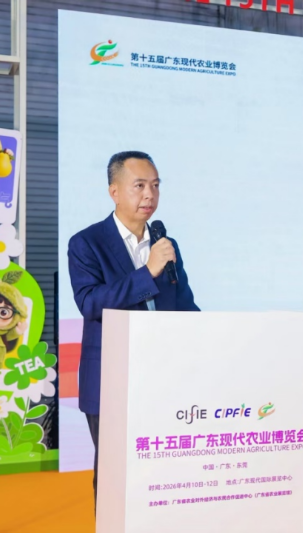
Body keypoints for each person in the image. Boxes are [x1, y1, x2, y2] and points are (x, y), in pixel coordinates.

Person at [67, 151, 200, 511]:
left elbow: (185, 305)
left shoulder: (165, 243)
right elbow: (90, 303)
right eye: (139, 185)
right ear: (114, 191)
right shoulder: (87, 243)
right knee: (116, 474)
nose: (149, 195)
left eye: (155, 185)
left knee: (161, 472)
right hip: (112, 378)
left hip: (163, 375)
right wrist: (147, 273)